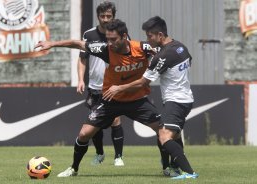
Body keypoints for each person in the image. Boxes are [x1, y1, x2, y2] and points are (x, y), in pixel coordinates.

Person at [35, 19, 163, 177]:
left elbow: (164, 49)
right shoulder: (105, 49)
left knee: (163, 130)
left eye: (113, 39)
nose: (109, 43)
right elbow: (78, 44)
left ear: (124, 37)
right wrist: (52, 44)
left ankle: (167, 167)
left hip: (137, 100)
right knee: (83, 134)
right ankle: (74, 168)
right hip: (111, 100)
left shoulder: (143, 48)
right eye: (107, 39)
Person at [103, 16, 198, 179]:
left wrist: (119, 88)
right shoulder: (180, 47)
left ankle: (189, 173)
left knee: (164, 136)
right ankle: (175, 167)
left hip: (176, 101)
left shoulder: (162, 56)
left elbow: (142, 82)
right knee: (172, 135)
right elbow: (189, 60)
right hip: (186, 98)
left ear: (160, 35)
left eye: (150, 36)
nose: (148, 39)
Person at [77, 1, 124, 167]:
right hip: (95, 87)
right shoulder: (89, 35)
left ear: (113, 17)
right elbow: (82, 59)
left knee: (115, 120)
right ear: (98, 17)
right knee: (94, 123)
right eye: (102, 16)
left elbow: (129, 55)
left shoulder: (120, 34)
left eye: (109, 16)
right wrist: (80, 79)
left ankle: (118, 157)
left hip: (114, 87)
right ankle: (99, 154)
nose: (105, 19)